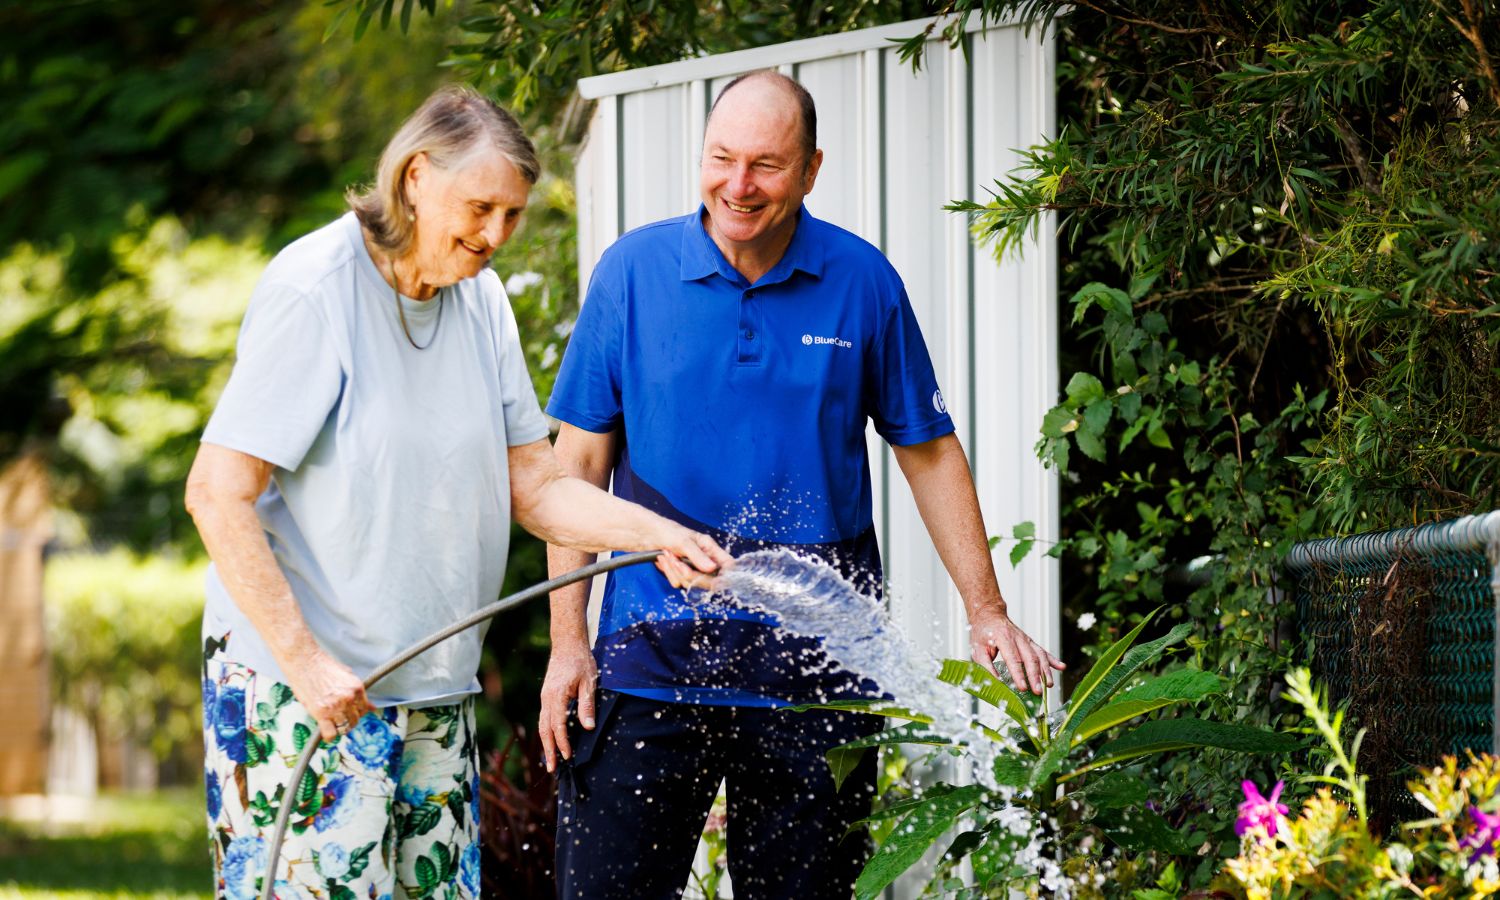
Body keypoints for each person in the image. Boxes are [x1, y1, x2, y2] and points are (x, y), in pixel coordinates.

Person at [185, 84, 730, 900]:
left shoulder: (481, 304)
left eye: (512, 215)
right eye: (481, 208)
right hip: (307, 694)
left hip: (433, 687)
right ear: (414, 177)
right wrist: (305, 662)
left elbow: (539, 490)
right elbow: (216, 493)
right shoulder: (316, 290)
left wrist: (656, 534)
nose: (496, 236)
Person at [539, 70, 1066, 898]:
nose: (737, 186)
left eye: (766, 165)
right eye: (721, 159)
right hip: (647, 664)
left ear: (811, 169)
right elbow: (575, 471)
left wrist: (986, 609)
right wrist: (568, 643)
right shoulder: (631, 275)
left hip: (819, 676)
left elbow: (927, 452)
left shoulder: (862, 283)